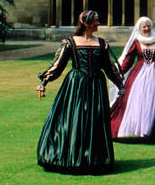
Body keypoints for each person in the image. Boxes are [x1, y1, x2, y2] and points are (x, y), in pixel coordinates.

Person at [35, 9, 125, 174]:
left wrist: (120, 85)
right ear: (86, 23)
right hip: (76, 85)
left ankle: (94, 159)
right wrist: (44, 81)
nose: (99, 23)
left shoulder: (102, 43)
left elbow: (110, 68)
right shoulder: (70, 42)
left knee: (94, 120)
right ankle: (72, 158)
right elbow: (58, 65)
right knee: (74, 119)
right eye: (96, 20)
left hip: (96, 86)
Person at [108, 17, 155, 141]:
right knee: (136, 101)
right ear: (139, 28)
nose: (147, 28)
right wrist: (119, 76)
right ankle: (140, 129)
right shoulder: (136, 42)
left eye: (148, 26)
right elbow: (128, 61)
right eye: (144, 26)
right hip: (139, 75)